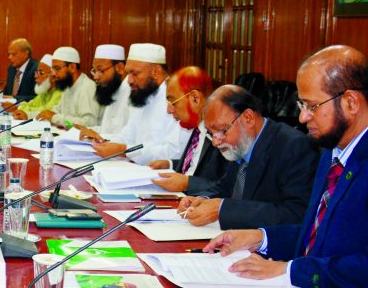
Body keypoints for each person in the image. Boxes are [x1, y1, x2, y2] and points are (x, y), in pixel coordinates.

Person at [203, 46, 368, 286]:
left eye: (312, 106)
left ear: (350, 102)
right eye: (301, 106)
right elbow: (317, 237)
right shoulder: (330, 152)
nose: (302, 118)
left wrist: (289, 270)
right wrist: (261, 238)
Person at [176, 85, 318, 229]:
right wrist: (202, 200)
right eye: (211, 134)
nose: (215, 142)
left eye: (221, 131)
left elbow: (296, 214)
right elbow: (225, 187)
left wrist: (222, 209)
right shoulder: (243, 143)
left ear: (248, 118)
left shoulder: (293, 146)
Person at [79, 43, 192, 165]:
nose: (129, 80)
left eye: (135, 74)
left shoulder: (176, 100)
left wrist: (126, 151)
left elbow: (175, 153)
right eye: (128, 73)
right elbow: (127, 136)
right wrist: (102, 141)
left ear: (156, 72)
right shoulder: (144, 95)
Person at [146, 66, 228, 196]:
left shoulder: (224, 133)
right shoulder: (198, 129)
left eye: (173, 102)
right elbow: (195, 165)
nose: (169, 110)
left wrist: (187, 183)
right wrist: (170, 164)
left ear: (195, 98)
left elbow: (228, 187)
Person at [35, 47, 102, 127]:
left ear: (72, 67)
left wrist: (55, 118)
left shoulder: (87, 87)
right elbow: (56, 112)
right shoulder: (67, 86)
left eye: (57, 68)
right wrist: (47, 115)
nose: (53, 74)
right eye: (53, 69)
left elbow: (88, 124)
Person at [83, 44, 131, 135]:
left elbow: (126, 139)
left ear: (120, 68)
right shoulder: (112, 89)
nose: (95, 77)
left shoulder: (132, 94)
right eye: (94, 71)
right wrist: (88, 130)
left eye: (100, 71)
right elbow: (108, 129)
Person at [9, 54, 63, 119]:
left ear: (53, 76)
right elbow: (29, 104)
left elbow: (48, 111)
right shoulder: (44, 92)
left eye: (41, 73)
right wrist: (20, 110)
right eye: (36, 72)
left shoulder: (60, 92)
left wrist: (27, 113)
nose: (36, 76)